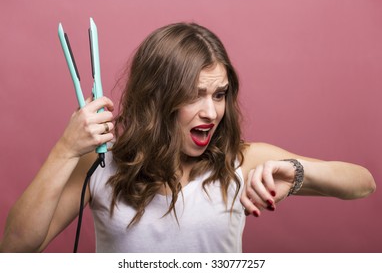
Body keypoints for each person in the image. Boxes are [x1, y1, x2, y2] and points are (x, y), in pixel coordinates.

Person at [0, 22, 376, 253]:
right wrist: (65, 150)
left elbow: (363, 184)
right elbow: (15, 250)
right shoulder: (101, 164)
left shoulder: (241, 161)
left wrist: (294, 170)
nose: (212, 112)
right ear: (158, 98)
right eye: (196, 95)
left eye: (219, 94)